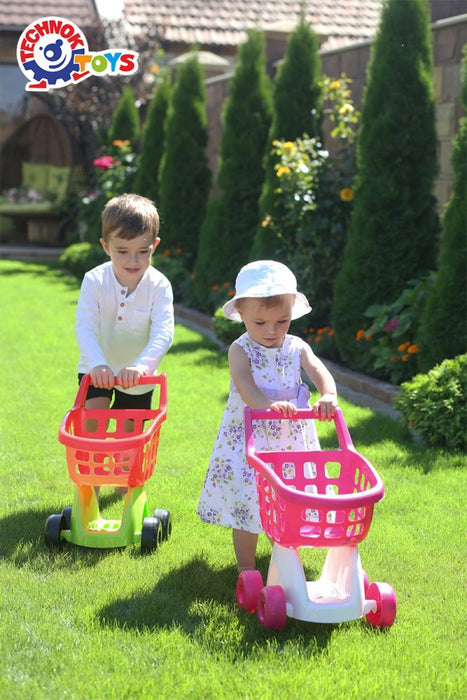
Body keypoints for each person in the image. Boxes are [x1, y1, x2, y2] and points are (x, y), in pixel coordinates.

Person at [197, 260, 338, 572]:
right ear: (242, 315)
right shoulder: (240, 349)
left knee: (286, 498)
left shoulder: (297, 346)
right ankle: (246, 568)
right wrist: (266, 406)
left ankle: (283, 558)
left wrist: (328, 394)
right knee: (248, 501)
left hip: (289, 442)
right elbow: (245, 386)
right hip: (253, 440)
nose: (272, 331)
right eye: (260, 323)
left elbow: (318, 370)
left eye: (282, 321)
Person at [75, 193, 174, 421]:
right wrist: (98, 364)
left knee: (129, 437)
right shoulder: (94, 280)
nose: (133, 261)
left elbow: (164, 333)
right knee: (92, 424)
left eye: (143, 251)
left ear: (154, 246)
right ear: (106, 246)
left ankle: (125, 457)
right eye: (122, 251)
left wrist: (141, 367)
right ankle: (94, 458)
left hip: (139, 376)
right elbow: (85, 328)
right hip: (96, 367)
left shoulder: (159, 286)